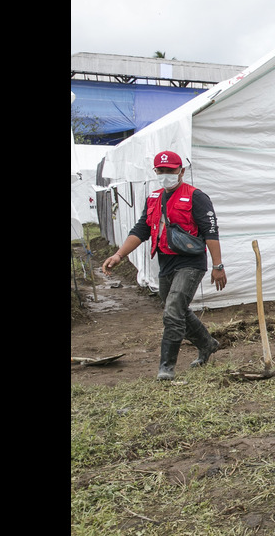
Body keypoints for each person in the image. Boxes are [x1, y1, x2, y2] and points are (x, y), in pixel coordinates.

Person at [102, 151, 226, 381]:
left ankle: (166, 368)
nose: (166, 175)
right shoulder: (154, 198)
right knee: (176, 310)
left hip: (191, 262)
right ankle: (207, 344)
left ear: (182, 171)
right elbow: (141, 230)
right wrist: (118, 255)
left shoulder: (196, 197)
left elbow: (211, 231)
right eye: (161, 171)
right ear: (155, 172)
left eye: (171, 171)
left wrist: (218, 265)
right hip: (166, 262)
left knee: (172, 311)